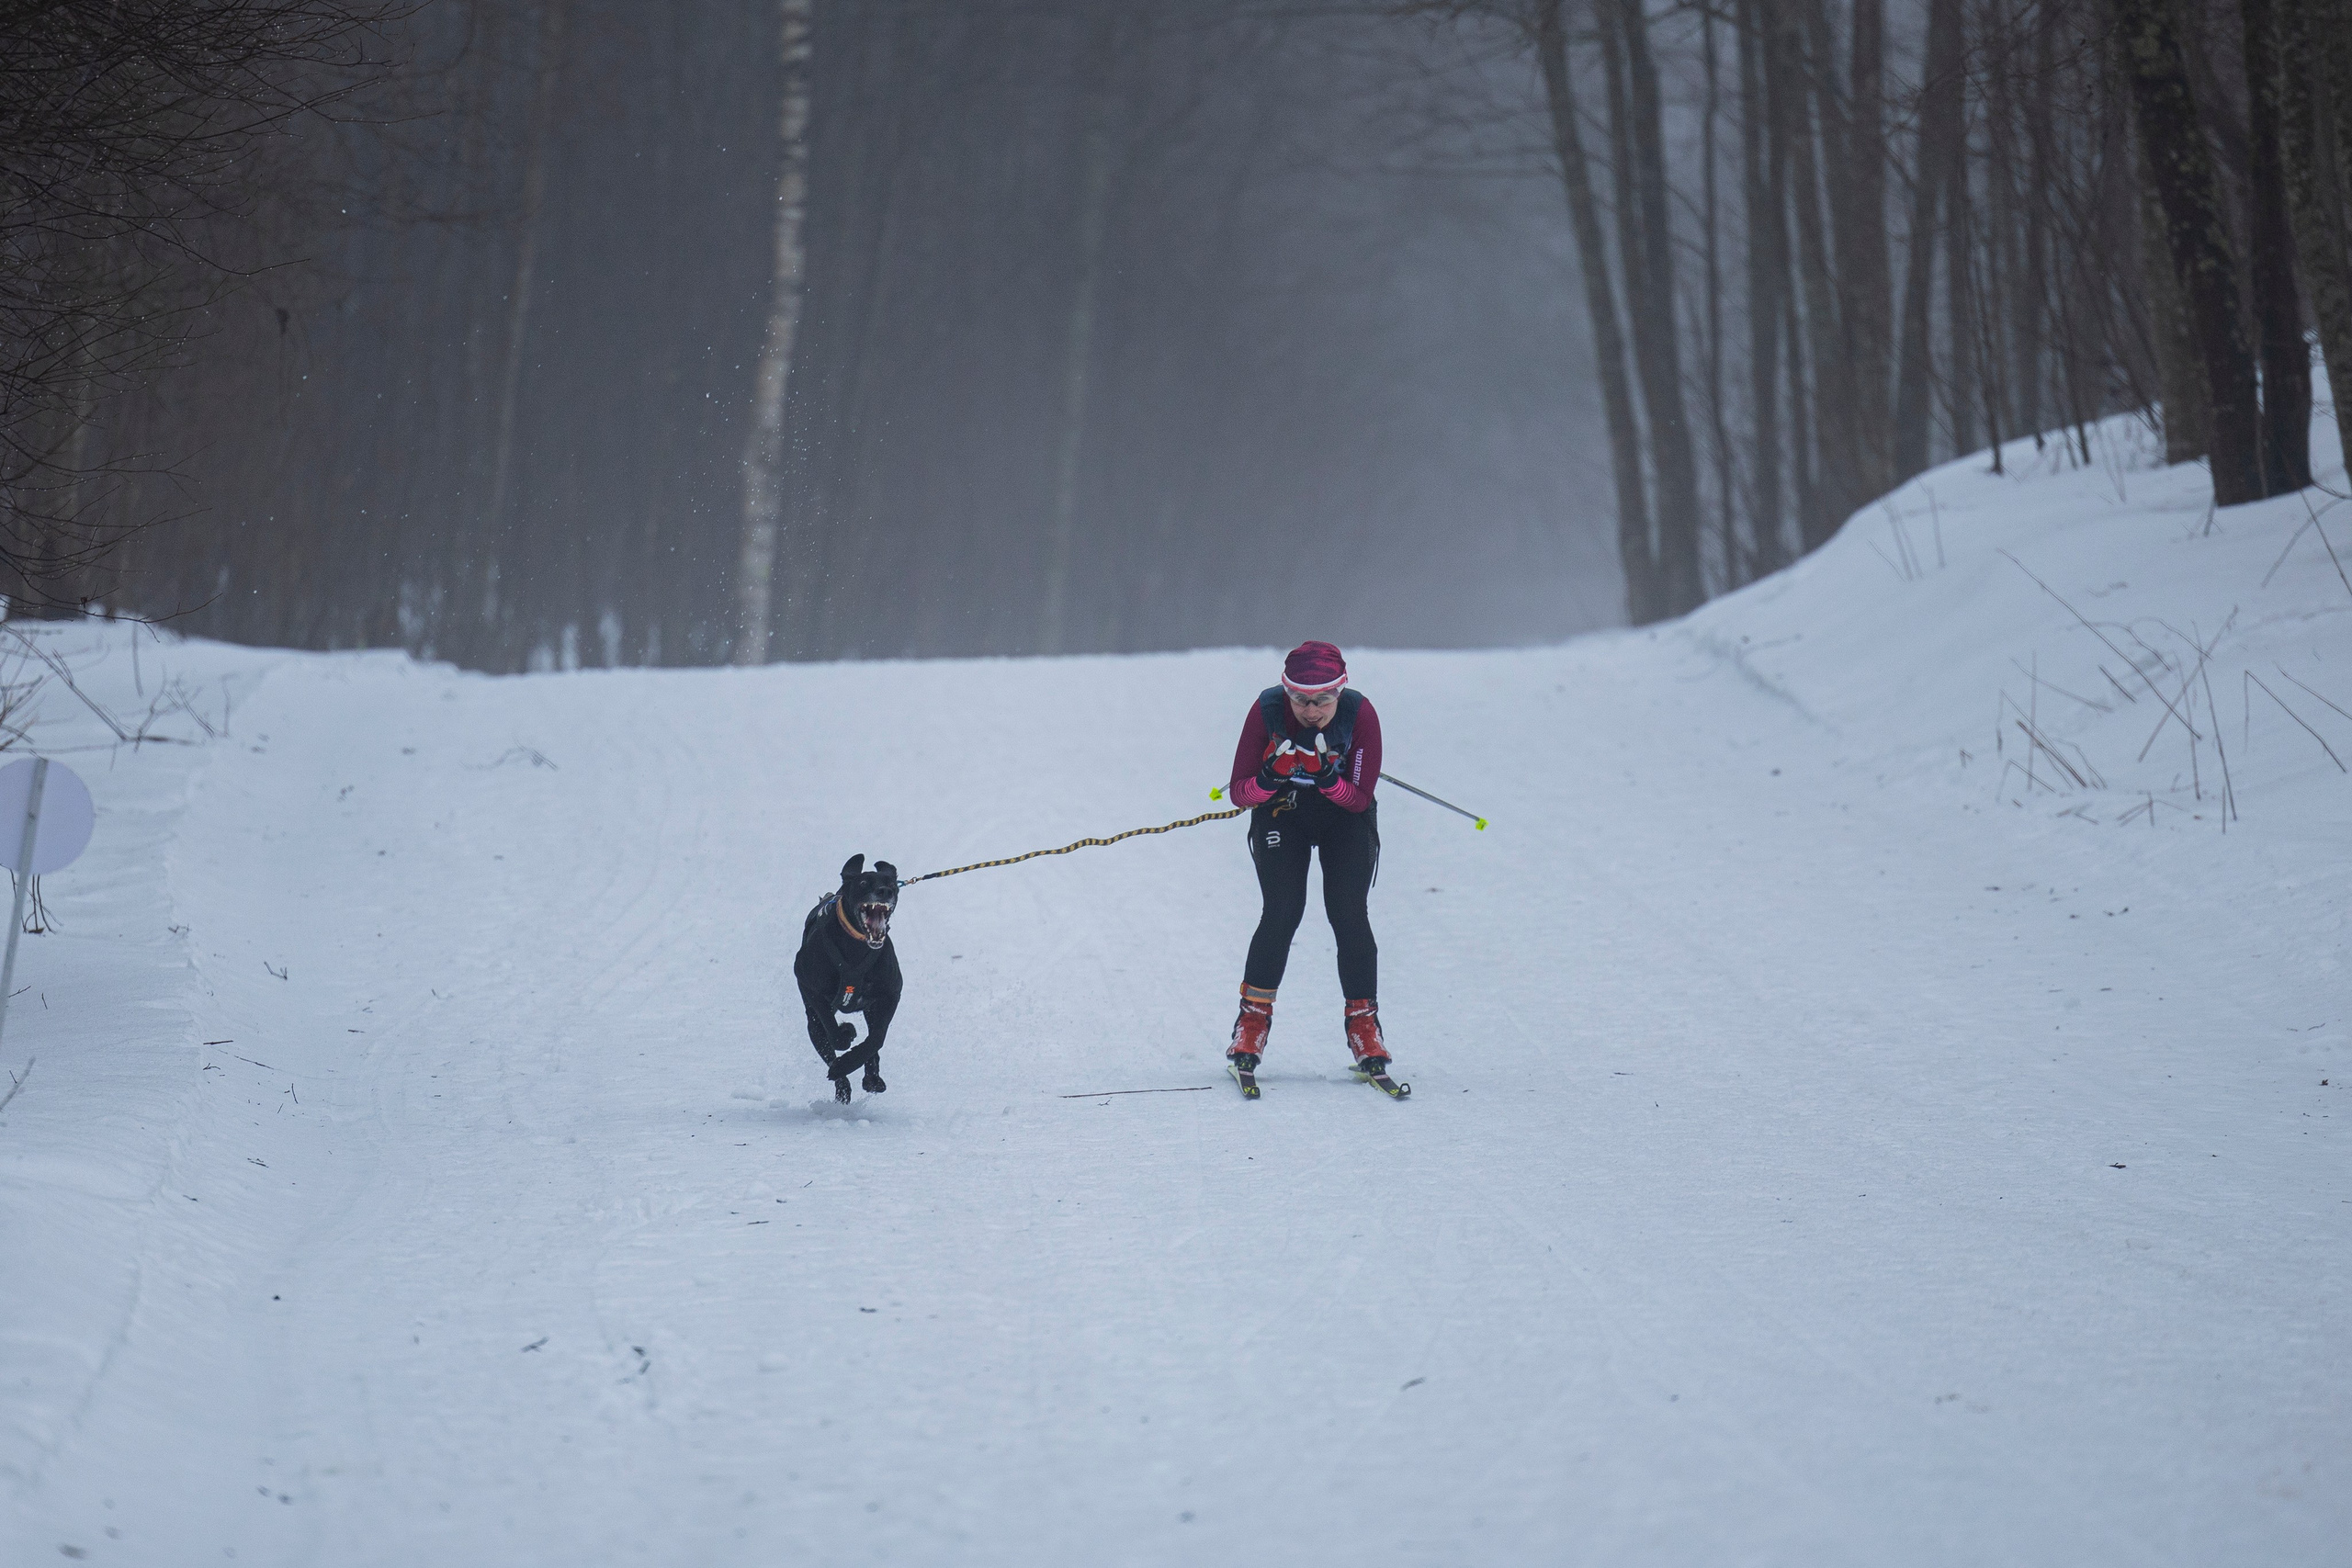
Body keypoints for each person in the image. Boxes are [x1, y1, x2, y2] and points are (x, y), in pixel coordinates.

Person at [1224, 639, 1390, 1077]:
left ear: (1340, 692)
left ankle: (1364, 1026)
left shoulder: (1360, 715)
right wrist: (1269, 775)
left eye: (1322, 701)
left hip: (1344, 819)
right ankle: (1252, 1023)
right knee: (1282, 911)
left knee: (1349, 913)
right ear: (1286, 692)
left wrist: (1325, 777)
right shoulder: (1266, 711)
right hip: (1283, 814)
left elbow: (1357, 800)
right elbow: (1240, 792)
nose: (1311, 711)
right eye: (1300, 700)